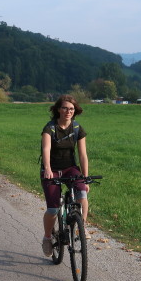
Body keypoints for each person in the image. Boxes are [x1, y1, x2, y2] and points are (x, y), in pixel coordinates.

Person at [40, 94, 90, 257]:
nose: (68, 111)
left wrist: (85, 176)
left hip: (70, 168)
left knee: (82, 193)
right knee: (53, 208)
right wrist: (47, 168)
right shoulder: (50, 128)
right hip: (52, 170)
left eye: (71, 108)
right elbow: (46, 149)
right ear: (58, 110)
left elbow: (82, 155)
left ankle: (81, 227)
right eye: (65, 108)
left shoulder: (77, 128)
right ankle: (47, 237)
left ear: (75, 111)